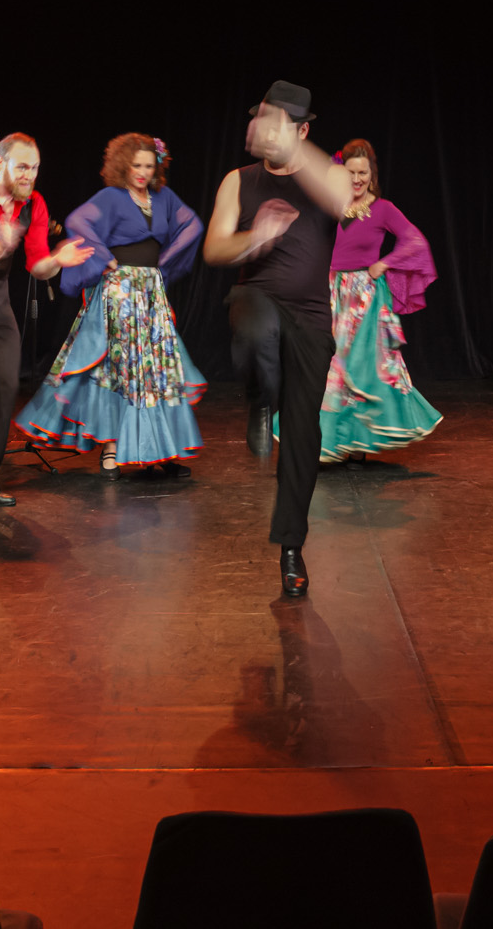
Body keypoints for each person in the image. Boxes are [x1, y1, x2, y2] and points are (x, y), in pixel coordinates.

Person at [203, 81, 351, 598]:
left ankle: (291, 546)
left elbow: (340, 199)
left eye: (278, 124)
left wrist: (296, 153)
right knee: (255, 320)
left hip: (310, 320)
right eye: (262, 121)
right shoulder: (238, 181)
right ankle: (259, 400)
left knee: (303, 435)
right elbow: (214, 249)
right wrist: (256, 238)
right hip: (257, 299)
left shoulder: (329, 174)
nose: (265, 132)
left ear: (302, 131)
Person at [15, 133, 205, 479]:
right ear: (123, 166)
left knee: (155, 370)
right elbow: (78, 222)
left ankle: (158, 450)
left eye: (149, 166)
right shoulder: (112, 197)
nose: (143, 172)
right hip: (119, 293)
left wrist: (165, 262)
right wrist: (105, 258)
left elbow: (193, 224)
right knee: (119, 369)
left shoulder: (163, 198)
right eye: (136, 165)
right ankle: (111, 449)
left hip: (150, 293)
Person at [0, 133, 92, 519]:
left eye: (35, 168)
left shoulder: (34, 204)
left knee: (7, 384)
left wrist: (57, 260)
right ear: (1, 163)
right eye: (22, 166)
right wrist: (1, 245)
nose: (29, 175)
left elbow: (37, 266)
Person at [317, 139, 442, 464]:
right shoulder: (330, 206)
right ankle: (328, 442)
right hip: (330, 293)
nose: (357, 179)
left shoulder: (383, 208)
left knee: (359, 367)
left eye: (363, 173)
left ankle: (356, 443)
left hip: (364, 299)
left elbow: (415, 241)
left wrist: (384, 263)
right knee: (330, 366)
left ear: (371, 175)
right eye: (351, 172)